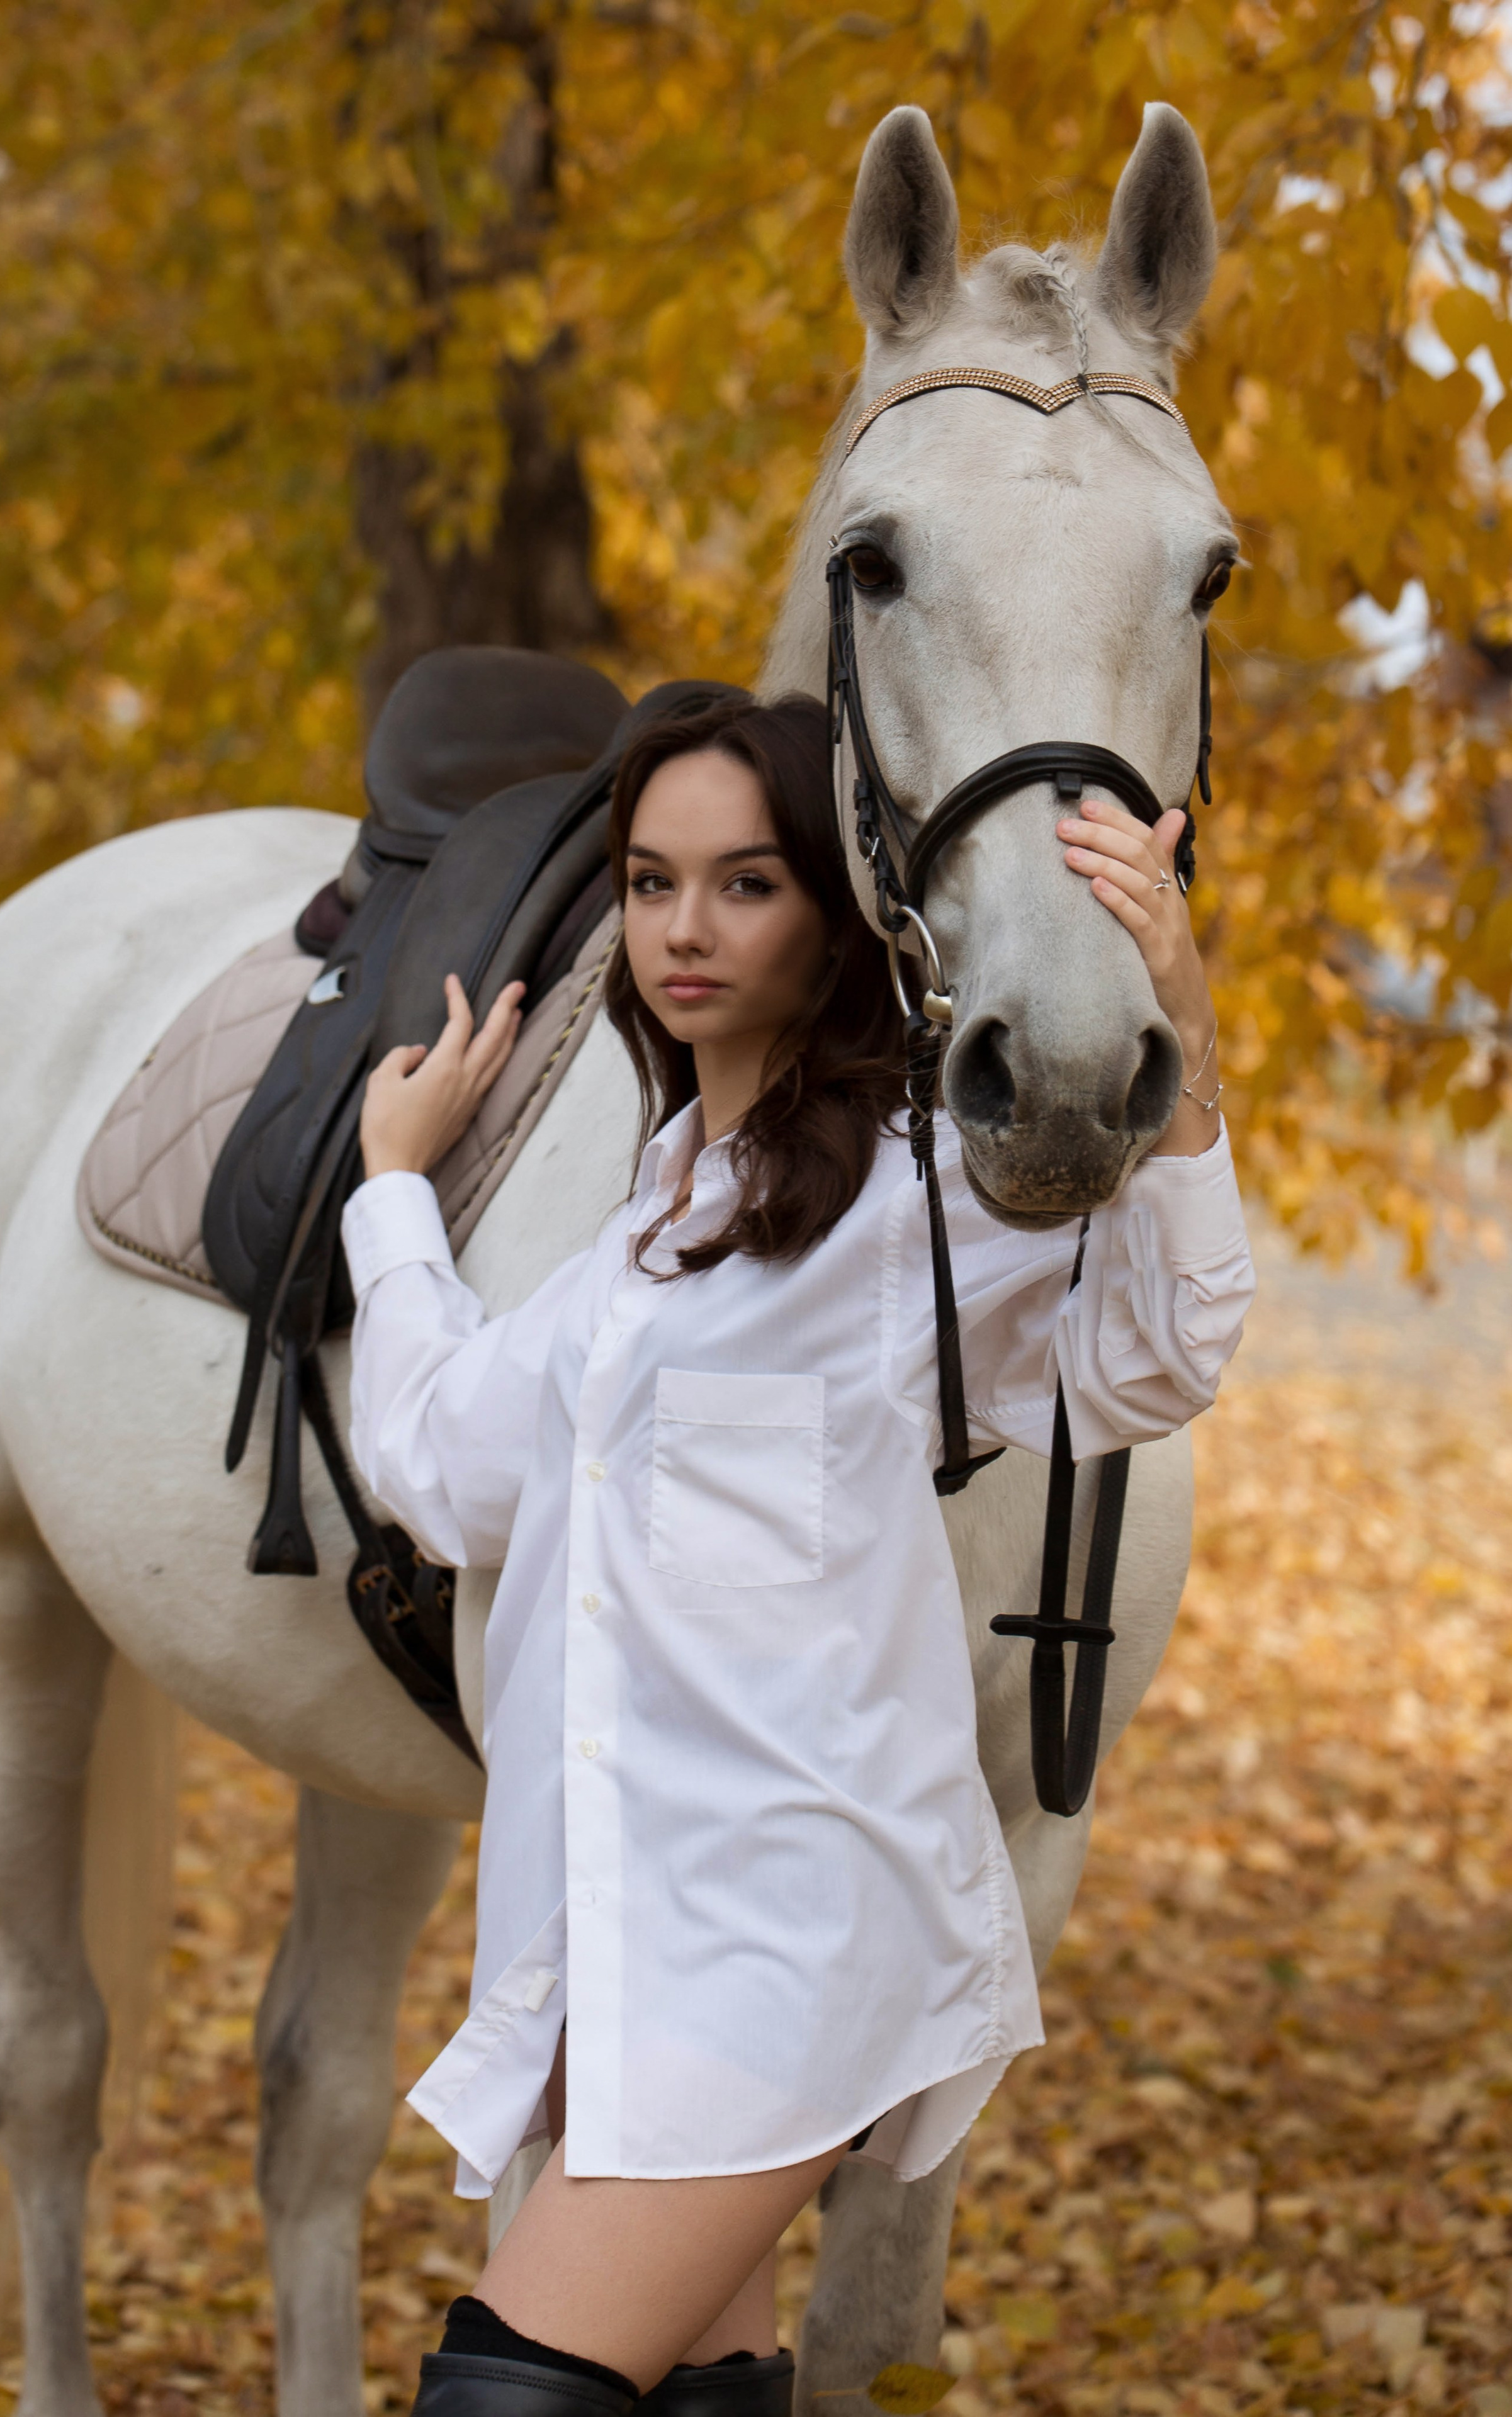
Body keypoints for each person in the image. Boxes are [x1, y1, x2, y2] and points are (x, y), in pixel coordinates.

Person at [344, 693, 1254, 2417]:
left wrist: (1181, 1030)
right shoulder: (638, 1242)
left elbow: (1158, 1350)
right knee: (708, 2387)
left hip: (790, 1953)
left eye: (746, 882)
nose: (686, 928)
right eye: (652, 883)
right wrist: (394, 1189)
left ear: (837, 915)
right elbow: (440, 1464)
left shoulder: (923, 1197)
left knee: (505, 2394)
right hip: (628, 1936)